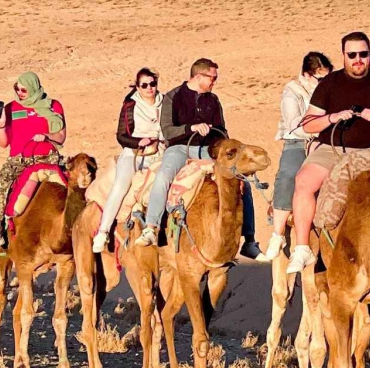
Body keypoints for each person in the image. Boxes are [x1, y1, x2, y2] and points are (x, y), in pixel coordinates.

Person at [284, 32, 370, 275]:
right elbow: (308, 124)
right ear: (344, 56)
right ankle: (302, 247)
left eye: (363, 54)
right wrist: (332, 117)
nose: (358, 59)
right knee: (304, 182)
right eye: (352, 55)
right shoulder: (329, 84)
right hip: (334, 148)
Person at [138, 58, 260, 258]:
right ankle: (151, 227)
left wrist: (221, 141)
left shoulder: (213, 100)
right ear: (198, 76)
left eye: (215, 78)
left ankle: (249, 239)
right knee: (163, 175)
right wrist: (191, 128)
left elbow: (223, 130)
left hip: (207, 150)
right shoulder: (173, 97)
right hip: (179, 149)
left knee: (241, 182)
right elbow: (168, 131)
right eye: (211, 77)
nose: (214, 82)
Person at [258, 50, 332, 262]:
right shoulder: (293, 91)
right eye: (320, 78)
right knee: (289, 175)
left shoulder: (331, 90)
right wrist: (320, 127)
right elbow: (293, 125)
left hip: (328, 142)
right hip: (299, 141)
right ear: (307, 75)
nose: (324, 82)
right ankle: (277, 234)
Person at [0, 72, 67, 249]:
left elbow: (60, 137)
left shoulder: (53, 106)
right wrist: (1, 126)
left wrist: (45, 136)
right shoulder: (10, 108)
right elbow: (3, 143)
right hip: (19, 160)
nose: (20, 92)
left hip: (47, 158)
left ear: (34, 88)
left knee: (74, 186)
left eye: (24, 89)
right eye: (17, 89)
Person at [93, 68, 165, 254]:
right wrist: (138, 141)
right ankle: (103, 231)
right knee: (121, 184)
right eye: (144, 85)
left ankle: (154, 228)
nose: (149, 88)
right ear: (138, 87)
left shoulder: (165, 102)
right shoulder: (130, 105)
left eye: (152, 84)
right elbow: (121, 135)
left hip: (159, 152)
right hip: (133, 153)